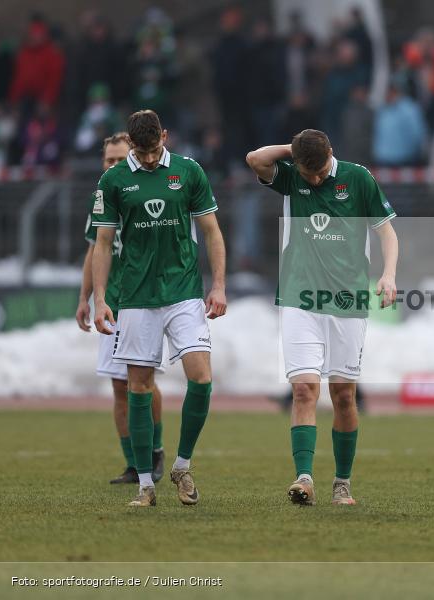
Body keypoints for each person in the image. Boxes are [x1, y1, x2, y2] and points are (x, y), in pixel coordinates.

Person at [245, 129, 398, 507]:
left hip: (347, 300)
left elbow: (386, 231)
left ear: (331, 153)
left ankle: (342, 483)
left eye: (317, 171)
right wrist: (293, 151)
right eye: (305, 171)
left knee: (344, 394)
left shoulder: (358, 178)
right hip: (300, 298)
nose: (311, 179)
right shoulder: (292, 174)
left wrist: (389, 273)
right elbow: (255, 159)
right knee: (303, 389)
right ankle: (304, 478)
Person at [91, 110, 227, 508]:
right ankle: (146, 485)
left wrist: (218, 285)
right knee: (139, 387)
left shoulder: (188, 172)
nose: (150, 159)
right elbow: (101, 244)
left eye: (155, 150)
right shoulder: (113, 180)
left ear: (165, 137)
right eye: (142, 152)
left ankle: (182, 465)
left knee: (201, 379)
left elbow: (211, 231)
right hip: (135, 296)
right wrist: (100, 297)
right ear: (131, 145)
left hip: (184, 291)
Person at [76, 132, 166, 485]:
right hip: (110, 304)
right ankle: (133, 462)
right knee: (118, 385)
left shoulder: (146, 192)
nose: (112, 165)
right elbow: (93, 249)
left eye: (118, 158)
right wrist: (85, 297)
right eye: (107, 160)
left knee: (141, 379)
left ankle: (155, 452)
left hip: (142, 299)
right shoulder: (103, 196)